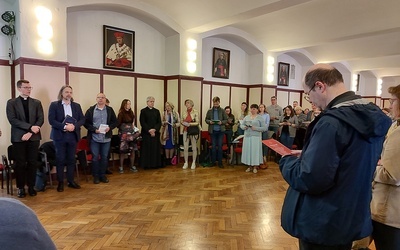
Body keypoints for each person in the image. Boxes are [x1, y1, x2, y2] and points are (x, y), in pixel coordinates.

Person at [279, 64, 391, 249]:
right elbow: (348, 160)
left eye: (308, 94)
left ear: (320, 86)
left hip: (322, 220)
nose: (311, 101)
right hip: (350, 215)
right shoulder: (371, 115)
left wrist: (287, 161)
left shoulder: (332, 123)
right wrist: (309, 154)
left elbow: (311, 178)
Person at [370, 84, 400, 250]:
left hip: (390, 211)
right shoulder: (395, 126)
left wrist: (370, 169)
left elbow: (392, 175)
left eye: (393, 101)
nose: (389, 105)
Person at [6, 79, 44, 198]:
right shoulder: (11, 102)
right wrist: (29, 128)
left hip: (34, 137)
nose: (28, 89)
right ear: (19, 88)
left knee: (32, 163)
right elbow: (12, 120)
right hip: (19, 137)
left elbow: (40, 119)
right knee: (20, 164)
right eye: (26, 87)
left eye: (30, 87)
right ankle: (21, 188)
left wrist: (31, 131)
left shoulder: (36, 102)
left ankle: (31, 187)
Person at [48, 85, 85, 192]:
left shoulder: (76, 106)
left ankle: (70, 181)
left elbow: (82, 119)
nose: (69, 94)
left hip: (73, 136)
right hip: (59, 136)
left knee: (71, 160)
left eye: (70, 92)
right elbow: (52, 120)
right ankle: (60, 182)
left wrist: (74, 126)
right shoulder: (54, 105)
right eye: (66, 92)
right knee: (60, 160)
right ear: (61, 93)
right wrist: (65, 126)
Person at [84, 93, 118, 184]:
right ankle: (95, 176)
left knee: (104, 157)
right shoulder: (91, 110)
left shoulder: (110, 110)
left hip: (106, 138)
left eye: (102, 98)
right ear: (96, 99)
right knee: (95, 158)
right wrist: (94, 130)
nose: (100, 99)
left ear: (105, 99)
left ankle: (102, 175)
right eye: (99, 97)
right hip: (94, 138)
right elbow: (86, 123)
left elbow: (115, 122)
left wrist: (110, 128)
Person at [241, 104, 267, 174]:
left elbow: (264, 128)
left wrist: (256, 128)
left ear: (257, 110)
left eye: (254, 109)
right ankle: (249, 166)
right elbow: (242, 125)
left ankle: (255, 166)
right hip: (247, 136)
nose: (252, 110)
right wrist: (244, 127)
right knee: (248, 151)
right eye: (251, 109)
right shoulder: (247, 117)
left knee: (255, 152)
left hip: (256, 137)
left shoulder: (260, 118)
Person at [117, 99, 139, 173]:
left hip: (131, 134)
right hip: (124, 134)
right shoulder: (121, 113)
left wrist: (134, 129)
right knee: (123, 151)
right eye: (128, 104)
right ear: (124, 105)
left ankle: (132, 166)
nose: (129, 105)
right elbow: (118, 125)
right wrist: (126, 130)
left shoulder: (131, 113)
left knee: (132, 150)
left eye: (130, 104)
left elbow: (132, 123)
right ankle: (121, 167)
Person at [139, 96, 162, 169]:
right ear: (147, 102)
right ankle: (146, 165)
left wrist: (155, 129)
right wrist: (149, 130)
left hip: (155, 133)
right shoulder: (143, 111)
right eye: (151, 101)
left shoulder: (157, 111)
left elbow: (159, 122)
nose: (152, 103)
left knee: (155, 149)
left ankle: (155, 164)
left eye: (153, 101)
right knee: (147, 149)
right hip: (146, 134)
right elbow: (142, 122)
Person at [205, 96, 228, 168]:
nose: (215, 105)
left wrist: (221, 122)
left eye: (217, 104)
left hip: (221, 131)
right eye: (214, 104)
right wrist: (210, 122)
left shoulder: (222, 110)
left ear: (219, 102)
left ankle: (220, 163)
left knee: (220, 147)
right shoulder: (209, 111)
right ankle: (213, 162)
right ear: (213, 103)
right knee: (214, 147)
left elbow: (226, 120)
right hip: (213, 131)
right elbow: (206, 119)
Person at [181, 99, 200, 169]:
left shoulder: (195, 112)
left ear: (191, 104)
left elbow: (197, 122)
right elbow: (181, 120)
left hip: (193, 131)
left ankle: (193, 162)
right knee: (185, 148)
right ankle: (185, 162)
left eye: (188, 103)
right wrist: (183, 122)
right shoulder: (184, 112)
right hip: (185, 131)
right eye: (186, 103)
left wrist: (190, 124)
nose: (187, 104)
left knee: (194, 147)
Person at [161, 101, 180, 166]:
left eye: (168, 106)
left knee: (172, 145)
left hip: (173, 131)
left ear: (171, 106)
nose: (167, 107)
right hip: (166, 131)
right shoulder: (163, 113)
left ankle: (171, 158)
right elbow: (161, 122)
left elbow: (179, 123)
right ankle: (167, 159)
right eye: (166, 106)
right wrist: (164, 123)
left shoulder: (175, 113)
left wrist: (175, 125)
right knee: (166, 145)